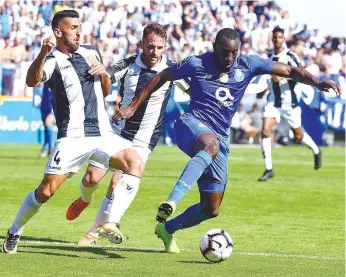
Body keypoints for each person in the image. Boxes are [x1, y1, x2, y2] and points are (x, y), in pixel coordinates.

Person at [114, 28, 341, 253]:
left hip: (220, 137)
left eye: (234, 52)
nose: (230, 57)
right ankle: (171, 202)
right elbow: (162, 76)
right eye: (225, 52)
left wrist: (317, 82)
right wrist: (133, 106)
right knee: (209, 145)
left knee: (210, 209)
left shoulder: (249, 64)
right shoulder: (196, 63)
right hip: (190, 124)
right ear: (214, 47)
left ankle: (166, 230)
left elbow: (290, 70)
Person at [2, 10, 143, 255]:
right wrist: (42, 53)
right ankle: (15, 230)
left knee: (134, 163)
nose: (79, 32)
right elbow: (31, 81)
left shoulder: (91, 52)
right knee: (46, 191)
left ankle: (111, 221)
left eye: (80, 27)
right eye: (73, 28)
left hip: (102, 133)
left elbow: (106, 90)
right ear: (58, 32)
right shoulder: (51, 59)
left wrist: (104, 74)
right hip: (72, 137)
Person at [65, 23, 189, 246]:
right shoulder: (129, 65)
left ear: (166, 47)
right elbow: (106, 79)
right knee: (91, 178)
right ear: (141, 44)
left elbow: (194, 89)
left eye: (160, 48)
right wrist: (101, 72)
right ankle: (85, 199)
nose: (154, 52)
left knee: (116, 182)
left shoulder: (172, 71)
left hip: (143, 140)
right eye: (150, 46)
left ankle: (93, 233)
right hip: (118, 133)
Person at [258, 27, 323, 181]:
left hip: (289, 103)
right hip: (273, 101)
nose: (276, 40)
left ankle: (316, 150)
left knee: (298, 135)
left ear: (283, 39)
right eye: (274, 37)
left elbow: (301, 74)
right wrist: (265, 89)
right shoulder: (270, 57)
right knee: (265, 131)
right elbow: (271, 80)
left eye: (279, 37)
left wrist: (282, 78)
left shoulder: (289, 56)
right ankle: (269, 169)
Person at [40, 83, 55, 157]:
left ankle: (51, 148)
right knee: (46, 126)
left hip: (53, 106)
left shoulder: (58, 77)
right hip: (44, 104)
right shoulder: (46, 77)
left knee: (48, 122)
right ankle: (46, 146)